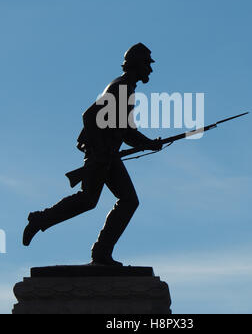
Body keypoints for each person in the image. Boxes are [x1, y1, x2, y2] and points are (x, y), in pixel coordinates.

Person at [23, 43, 162, 266]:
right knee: (118, 200)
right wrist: (101, 150)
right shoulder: (122, 87)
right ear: (137, 64)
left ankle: (97, 250)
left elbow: (125, 130)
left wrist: (148, 144)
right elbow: (89, 117)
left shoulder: (127, 88)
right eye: (147, 64)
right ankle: (97, 250)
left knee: (100, 200)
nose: (150, 70)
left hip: (107, 156)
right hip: (102, 156)